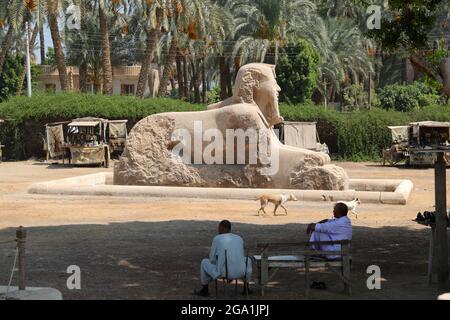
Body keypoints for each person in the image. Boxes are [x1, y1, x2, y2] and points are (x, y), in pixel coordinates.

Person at [194, 220, 252, 297]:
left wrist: (219, 260)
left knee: (204, 262)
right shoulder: (239, 238)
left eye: (219, 228)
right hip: (241, 271)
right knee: (248, 260)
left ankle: (205, 289)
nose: (218, 230)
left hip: (225, 272)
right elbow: (240, 256)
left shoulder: (217, 238)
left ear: (221, 228)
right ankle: (246, 287)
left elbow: (212, 259)